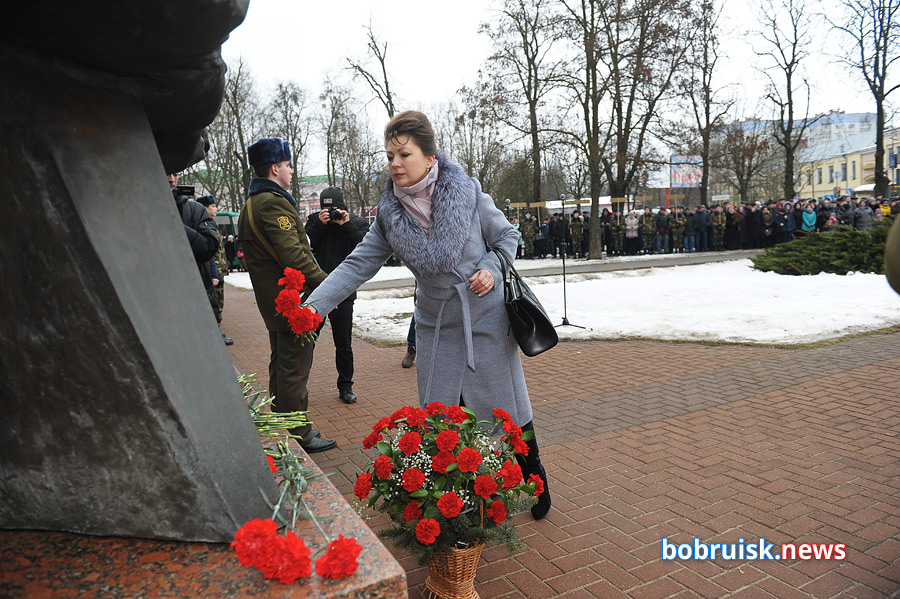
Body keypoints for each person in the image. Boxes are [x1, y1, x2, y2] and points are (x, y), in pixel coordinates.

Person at [304, 110, 551, 519]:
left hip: (486, 320)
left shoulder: (467, 192)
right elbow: (355, 265)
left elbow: (508, 235)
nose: (395, 164)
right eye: (389, 156)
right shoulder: (389, 215)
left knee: (508, 409)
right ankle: (465, 500)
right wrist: (315, 305)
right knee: (442, 419)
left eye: (403, 154)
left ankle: (533, 472)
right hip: (436, 326)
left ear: (430, 157)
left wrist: (490, 268)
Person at [237, 137, 337, 454]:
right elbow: (294, 255)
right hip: (292, 302)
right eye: (289, 165)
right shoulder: (273, 203)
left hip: (276, 301)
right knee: (294, 368)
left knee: (281, 365)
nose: (292, 171)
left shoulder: (254, 202)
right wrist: (330, 285)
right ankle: (298, 433)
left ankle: (283, 425)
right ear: (275, 167)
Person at [305, 187, 370, 404]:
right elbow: (305, 246)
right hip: (317, 291)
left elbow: (366, 247)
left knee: (343, 343)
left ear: (343, 207)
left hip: (344, 292)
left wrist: (345, 224)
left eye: (335, 208)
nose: (331, 212)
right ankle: (297, 385)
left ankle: (346, 386)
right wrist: (319, 225)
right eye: (326, 208)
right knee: (307, 340)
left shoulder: (356, 222)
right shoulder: (314, 221)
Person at [167, 173, 221, 326]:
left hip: (196, 298)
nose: (171, 179)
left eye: (175, 174)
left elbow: (208, 248)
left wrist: (173, 223)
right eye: (167, 173)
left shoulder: (195, 209)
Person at [197, 195, 233, 346]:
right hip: (214, 271)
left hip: (219, 271)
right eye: (212, 206)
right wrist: (214, 272)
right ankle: (216, 332)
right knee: (215, 303)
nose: (216, 208)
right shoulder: (203, 224)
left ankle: (218, 330)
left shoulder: (212, 223)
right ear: (204, 208)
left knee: (219, 303)